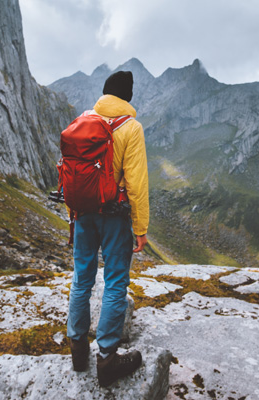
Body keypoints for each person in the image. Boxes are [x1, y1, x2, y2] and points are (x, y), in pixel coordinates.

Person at [66, 70, 150, 386]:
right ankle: (107, 359)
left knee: (82, 279)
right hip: (114, 216)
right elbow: (137, 184)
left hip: (82, 213)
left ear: (104, 94)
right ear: (127, 97)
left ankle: (77, 349)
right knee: (115, 282)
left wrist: (72, 213)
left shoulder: (83, 121)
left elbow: (71, 174)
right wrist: (140, 228)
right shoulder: (131, 128)